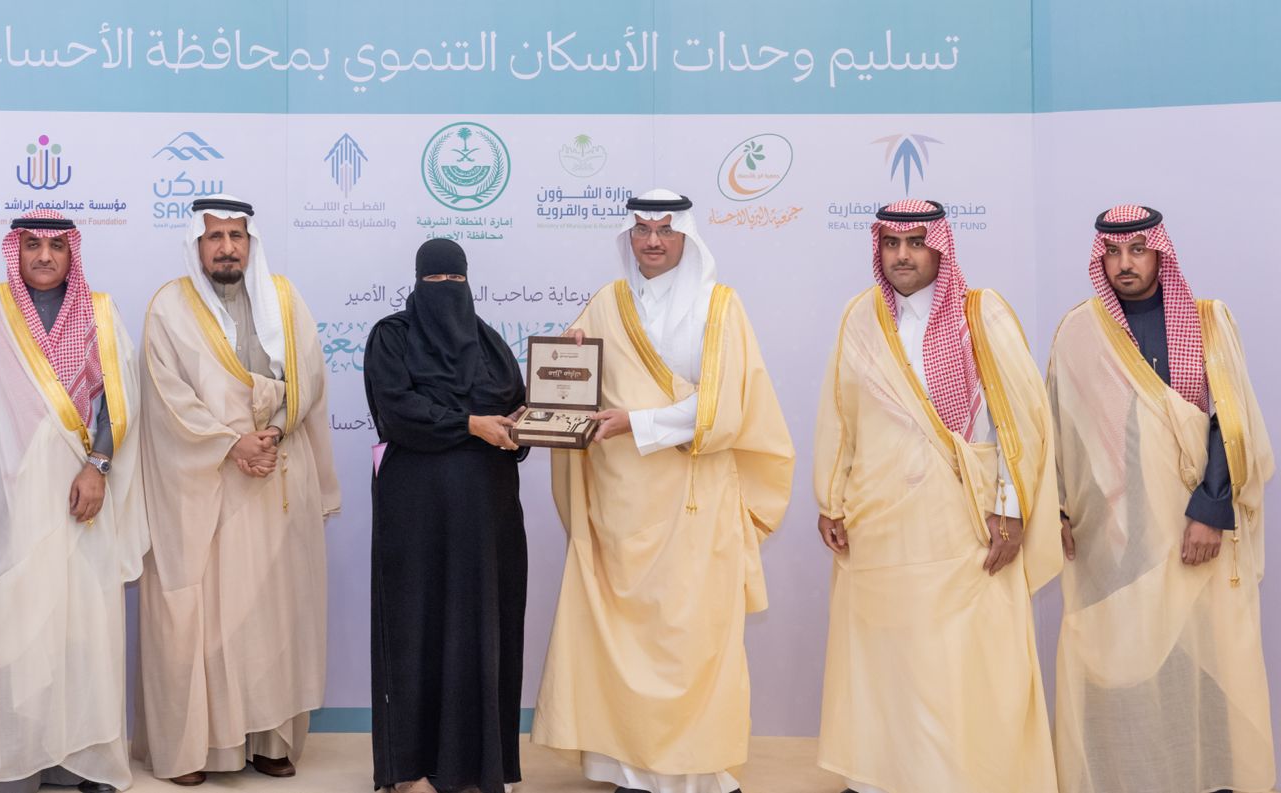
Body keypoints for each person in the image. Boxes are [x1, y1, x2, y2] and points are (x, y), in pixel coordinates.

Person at [532, 189, 795, 793]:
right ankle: (625, 768)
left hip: (693, 498)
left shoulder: (719, 307)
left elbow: (725, 406)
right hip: (620, 504)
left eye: (666, 231)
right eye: (643, 230)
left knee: (689, 637)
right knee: (624, 639)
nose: (653, 241)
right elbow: (570, 382)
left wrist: (639, 423)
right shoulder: (606, 303)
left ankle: (695, 773)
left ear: (687, 237)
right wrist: (565, 364)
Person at [813, 198, 1061, 793]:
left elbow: (1018, 421)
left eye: (916, 243)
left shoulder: (981, 313)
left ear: (941, 248)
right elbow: (840, 414)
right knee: (886, 658)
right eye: (891, 244)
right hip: (878, 522)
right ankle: (880, 780)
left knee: (958, 662)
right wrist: (830, 498)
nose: (902, 255)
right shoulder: (860, 315)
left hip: (963, 523)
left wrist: (1010, 508)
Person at [1047, 204, 1273, 793]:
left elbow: (1231, 423)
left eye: (1138, 250)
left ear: (1160, 254)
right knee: (1122, 667)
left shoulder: (1207, 322)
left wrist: (1211, 510)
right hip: (1114, 536)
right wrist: (1059, 508)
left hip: (1193, 527)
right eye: (1113, 253)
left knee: (1201, 660)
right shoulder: (1079, 332)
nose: (1125, 264)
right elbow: (1059, 425)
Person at [0, 209, 146, 793]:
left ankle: (82, 762)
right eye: (32, 245)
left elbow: (118, 404)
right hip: (0, 500)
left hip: (78, 497)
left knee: (80, 629)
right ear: (16, 250)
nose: (45, 256)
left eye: (56, 246)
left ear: (72, 252)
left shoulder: (100, 313)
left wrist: (97, 468)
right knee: (6, 627)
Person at [135, 195, 340, 785]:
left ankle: (271, 739)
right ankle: (204, 749)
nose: (227, 248)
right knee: (212, 621)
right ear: (196, 245)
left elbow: (310, 376)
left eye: (237, 236)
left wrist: (272, 430)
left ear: (251, 243)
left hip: (278, 474)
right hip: (208, 486)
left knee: (275, 614)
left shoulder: (285, 298)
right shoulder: (168, 309)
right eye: (215, 237)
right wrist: (231, 444)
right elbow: (167, 397)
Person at [363, 238, 529, 793]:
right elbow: (398, 410)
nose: (446, 292)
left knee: (484, 626)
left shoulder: (490, 343)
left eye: (455, 282)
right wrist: (470, 424)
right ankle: (410, 770)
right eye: (435, 283)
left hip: (487, 514)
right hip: (417, 514)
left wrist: (528, 425)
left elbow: (516, 408)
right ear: (416, 284)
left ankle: (480, 767)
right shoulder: (392, 337)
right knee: (415, 626)